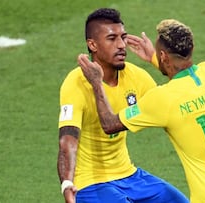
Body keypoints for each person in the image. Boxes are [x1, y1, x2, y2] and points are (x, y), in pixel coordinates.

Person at [77, 19, 205, 203]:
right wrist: (155, 58)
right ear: (190, 49)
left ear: (163, 57)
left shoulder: (162, 99)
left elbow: (110, 125)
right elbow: (184, 83)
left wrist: (96, 83)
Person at [57, 9, 189, 203]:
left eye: (123, 37)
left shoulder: (135, 76)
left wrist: (155, 60)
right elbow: (68, 140)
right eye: (111, 39)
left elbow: (173, 103)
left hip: (129, 175)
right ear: (92, 44)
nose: (121, 45)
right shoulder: (76, 82)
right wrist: (67, 184)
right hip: (90, 183)